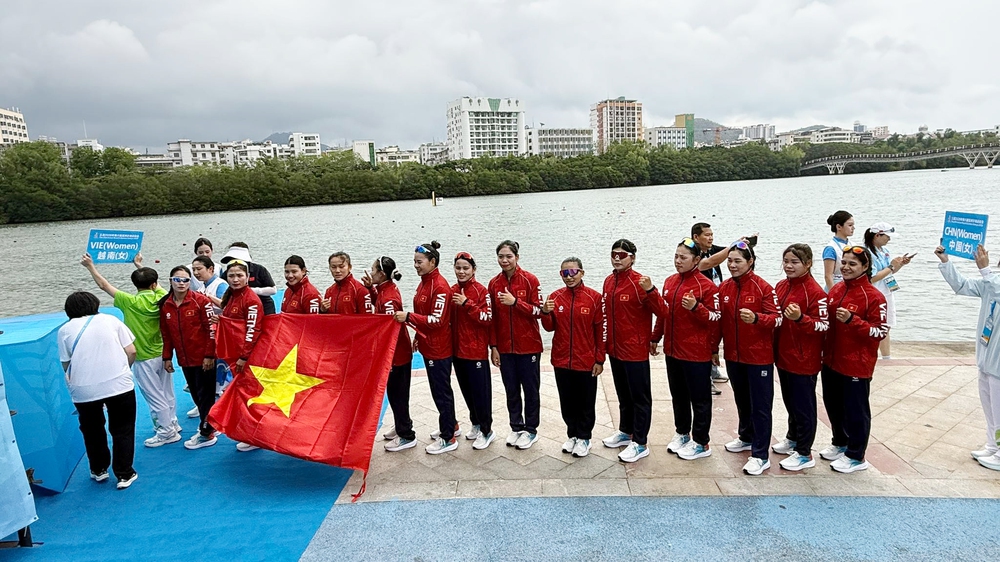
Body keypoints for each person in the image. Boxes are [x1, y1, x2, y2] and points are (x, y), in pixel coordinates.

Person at [81, 253, 179, 446]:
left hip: (143, 356)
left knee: (154, 396)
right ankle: (172, 423)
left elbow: (104, 285)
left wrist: (90, 266)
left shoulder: (130, 302)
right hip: (163, 353)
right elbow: (154, 283)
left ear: (135, 284)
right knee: (167, 391)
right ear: (154, 284)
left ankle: (166, 432)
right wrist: (139, 265)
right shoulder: (161, 297)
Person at [58, 291, 139, 490]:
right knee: (123, 429)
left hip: (84, 390)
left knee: (92, 430)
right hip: (119, 384)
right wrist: (124, 369)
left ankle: (98, 469)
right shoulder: (111, 321)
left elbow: (66, 363)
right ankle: (124, 473)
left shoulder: (65, 330)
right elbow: (131, 351)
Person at [650, 238, 720, 461]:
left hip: (696, 353)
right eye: (676, 256)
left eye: (683, 257)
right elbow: (664, 313)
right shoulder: (670, 281)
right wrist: (655, 337)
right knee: (678, 396)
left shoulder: (706, 286)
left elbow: (716, 318)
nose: (678, 261)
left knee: (699, 399)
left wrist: (696, 307)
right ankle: (682, 433)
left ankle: (701, 442)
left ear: (697, 259)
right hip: (673, 351)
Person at [820, 245, 888, 473]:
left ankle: (857, 456)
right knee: (833, 405)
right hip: (831, 360)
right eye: (844, 263)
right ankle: (840, 442)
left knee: (856, 411)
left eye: (852, 264)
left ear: (865, 266)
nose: (846, 268)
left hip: (857, 365)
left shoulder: (874, 296)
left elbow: (880, 332)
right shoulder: (837, 289)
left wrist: (853, 320)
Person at [717, 240, 781, 475]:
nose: (732, 265)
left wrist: (756, 318)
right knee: (742, 400)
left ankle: (760, 455)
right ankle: (745, 437)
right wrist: (714, 349)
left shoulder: (763, 288)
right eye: (729, 261)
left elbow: (777, 319)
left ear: (750, 261)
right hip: (734, 356)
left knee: (760, 406)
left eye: (738, 261)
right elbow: (719, 322)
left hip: (758, 358)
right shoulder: (724, 287)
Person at [936, 244, 1000, 471]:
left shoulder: (993, 282)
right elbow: (962, 285)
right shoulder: (992, 282)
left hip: (998, 362)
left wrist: (985, 270)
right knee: (990, 406)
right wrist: (946, 261)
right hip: (987, 357)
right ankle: (993, 445)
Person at [601, 239, 661, 463]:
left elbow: (663, 311)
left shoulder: (640, 282)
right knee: (623, 395)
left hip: (635, 350)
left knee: (640, 397)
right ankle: (626, 431)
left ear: (632, 258)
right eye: (614, 254)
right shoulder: (609, 281)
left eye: (622, 255)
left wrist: (651, 290)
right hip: (615, 349)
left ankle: (640, 442)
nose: (617, 258)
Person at [396, 241, 457, 455]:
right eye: (414, 261)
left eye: (419, 262)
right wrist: (418, 335)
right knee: (439, 391)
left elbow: (438, 320)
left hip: (439, 349)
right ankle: (452, 425)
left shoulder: (439, 286)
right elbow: (425, 315)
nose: (416, 265)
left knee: (441, 393)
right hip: (429, 345)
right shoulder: (424, 283)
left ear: (432, 262)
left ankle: (448, 437)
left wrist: (409, 317)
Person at [541, 258, 605, 458]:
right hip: (561, 359)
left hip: (585, 361)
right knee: (567, 401)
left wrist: (599, 359)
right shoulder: (555, 297)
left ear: (582, 273)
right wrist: (545, 312)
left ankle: (584, 437)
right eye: (564, 273)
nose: (569, 277)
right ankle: (572, 434)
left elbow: (600, 331)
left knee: (585, 402)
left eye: (573, 272)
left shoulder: (594, 298)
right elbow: (549, 327)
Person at [773, 244, 829, 471]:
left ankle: (805, 452)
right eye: (786, 261)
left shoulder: (815, 292)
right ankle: (793, 437)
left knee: (804, 406)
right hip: (783, 356)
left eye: (794, 262)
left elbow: (823, 326)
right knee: (790, 401)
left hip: (804, 359)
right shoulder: (781, 286)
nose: (788, 266)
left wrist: (800, 318)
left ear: (808, 264)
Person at [488, 240, 544, 450]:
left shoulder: (530, 280)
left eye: (509, 256)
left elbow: (539, 311)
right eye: (501, 256)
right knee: (511, 389)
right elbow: (492, 318)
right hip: (505, 348)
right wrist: (493, 347)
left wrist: (516, 303)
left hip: (529, 346)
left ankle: (531, 429)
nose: (505, 260)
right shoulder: (494, 284)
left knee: (530, 390)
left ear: (517, 257)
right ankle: (516, 427)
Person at [158, 266, 218, 450]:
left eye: (185, 280)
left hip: (204, 358)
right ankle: (211, 423)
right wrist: (167, 357)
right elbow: (166, 334)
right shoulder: (166, 305)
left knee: (205, 395)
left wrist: (209, 355)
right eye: (177, 279)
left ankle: (207, 432)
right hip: (185, 359)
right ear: (170, 281)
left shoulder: (201, 301)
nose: (182, 283)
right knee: (196, 394)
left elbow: (211, 330)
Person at [365, 257, 416, 452]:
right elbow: (379, 303)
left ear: (381, 274)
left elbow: (390, 330)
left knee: (398, 395)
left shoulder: (389, 299)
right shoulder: (385, 290)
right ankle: (401, 423)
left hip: (397, 355)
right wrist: (371, 289)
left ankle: (407, 435)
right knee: (395, 394)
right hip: (397, 353)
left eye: (373, 270)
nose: (371, 272)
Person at [219, 260, 266, 452]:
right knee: (242, 394)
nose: (235, 279)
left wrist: (244, 357)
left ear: (247, 277)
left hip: (247, 357)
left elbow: (253, 330)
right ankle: (249, 431)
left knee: (250, 395)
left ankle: (256, 436)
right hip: (235, 355)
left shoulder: (251, 299)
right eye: (231, 276)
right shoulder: (231, 296)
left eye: (239, 275)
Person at [450, 251, 495, 450]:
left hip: (476, 352)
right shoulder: (452, 290)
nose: (462, 272)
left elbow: (488, 319)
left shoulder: (481, 291)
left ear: (474, 269)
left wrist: (467, 304)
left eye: (465, 268)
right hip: (457, 351)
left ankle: (487, 430)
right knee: (466, 391)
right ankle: (475, 423)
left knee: (481, 393)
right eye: (458, 268)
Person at [864, 223, 913, 360]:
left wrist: (900, 264)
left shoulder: (884, 250)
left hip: (887, 291)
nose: (889, 239)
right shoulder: (867, 252)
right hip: (875, 293)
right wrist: (891, 266)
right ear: (877, 235)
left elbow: (889, 272)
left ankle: (886, 357)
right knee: (877, 325)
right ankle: (870, 354)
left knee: (887, 325)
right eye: (887, 236)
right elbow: (872, 278)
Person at [691, 223, 730, 395]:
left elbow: (725, 253)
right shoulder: (694, 253)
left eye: (712, 234)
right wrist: (732, 247)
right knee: (705, 341)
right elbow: (709, 262)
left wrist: (743, 243)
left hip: (716, 300)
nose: (711, 238)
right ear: (696, 237)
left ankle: (713, 372)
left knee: (714, 338)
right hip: (701, 302)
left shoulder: (711, 249)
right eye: (707, 235)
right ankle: (707, 381)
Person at [220, 242, 277, 315]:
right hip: (239, 308)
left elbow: (273, 290)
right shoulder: (227, 273)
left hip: (264, 307)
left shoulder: (259, 269)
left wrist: (248, 292)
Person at [824, 210, 855, 291]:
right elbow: (828, 276)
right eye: (850, 225)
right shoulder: (831, 248)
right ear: (839, 227)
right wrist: (834, 294)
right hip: (836, 286)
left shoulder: (853, 245)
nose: (853, 228)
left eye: (853, 225)